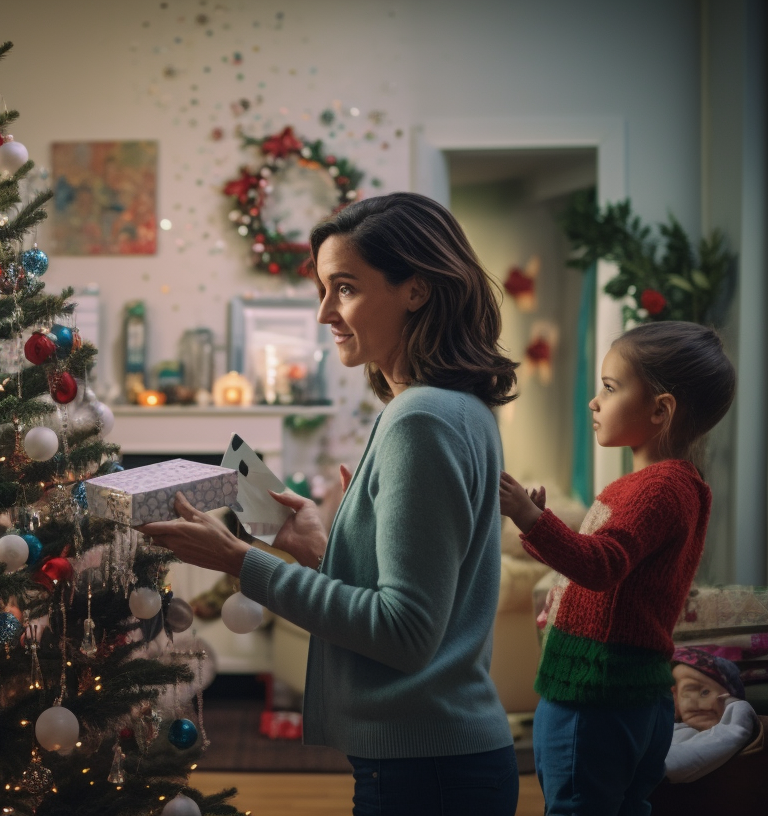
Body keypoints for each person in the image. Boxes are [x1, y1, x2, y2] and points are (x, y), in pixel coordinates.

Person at [139, 192, 521, 815]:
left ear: (416, 290)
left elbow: (405, 632)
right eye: (323, 288)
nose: (323, 314)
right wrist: (321, 550)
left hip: (427, 773)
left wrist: (241, 562)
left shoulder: (421, 419)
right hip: (436, 761)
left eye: (343, 288)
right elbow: (420, 598)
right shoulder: (455, 407)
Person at [498, 321, 737, 815]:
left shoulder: (654, 489)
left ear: (660, 409)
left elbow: (600, 566)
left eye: (609, 387)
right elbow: (604, 566)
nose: (594, 401)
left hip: (594, 694)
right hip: (633, 694)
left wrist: (526, 515)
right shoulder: (676, 485)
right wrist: (542, 528)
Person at [665, 647, 756, 784]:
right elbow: (670, 765)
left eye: (705, 692)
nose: (685, 701)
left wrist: (734, 708)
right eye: (673, 694)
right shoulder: (671, 733)